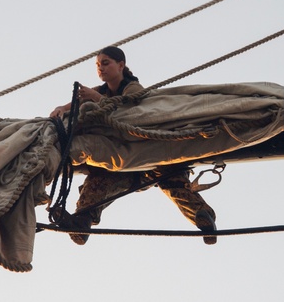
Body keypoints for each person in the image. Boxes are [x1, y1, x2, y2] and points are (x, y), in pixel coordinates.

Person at [50, 46, 218, 245]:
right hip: (123, 163)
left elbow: (130, 113)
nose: (100, 69)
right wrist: (62, 108)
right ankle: (82, 223)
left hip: (150, 155)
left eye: (105, 63)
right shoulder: (101, 91)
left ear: (120, 65)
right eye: (97, 65)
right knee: (99, 180)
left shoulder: (132, 88)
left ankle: (204, 219)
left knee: (173, 182)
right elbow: (75, 104)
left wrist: (95, 99)